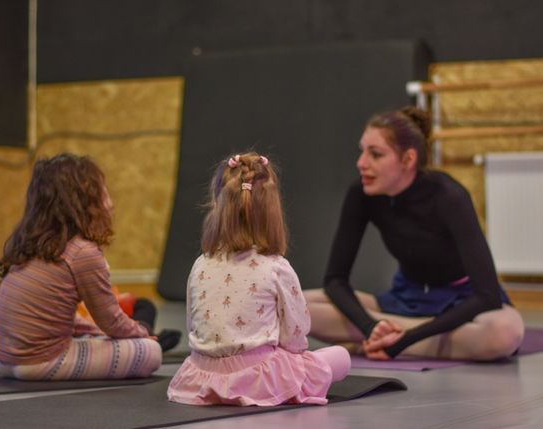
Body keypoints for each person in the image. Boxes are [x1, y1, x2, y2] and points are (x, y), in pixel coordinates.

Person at [304, 106, 525, 361]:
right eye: (362, 151)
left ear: (408, 160)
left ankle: (381, 338)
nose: (361, 163)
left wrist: (403, 342)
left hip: (462, 302)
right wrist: (370, 326)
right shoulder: (361, 194)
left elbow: (487, 296)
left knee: (505, 332)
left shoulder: (449, 196)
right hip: (405, 299)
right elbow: (335, 281)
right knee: (296, 304)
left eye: (375, 154)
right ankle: (386, 334)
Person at [168, 152, 350, 406]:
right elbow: (295, 338)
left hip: (200, 377)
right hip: (257, 379)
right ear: (273, 212)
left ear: (217, 205)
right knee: (340, 356)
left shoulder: (200, 263)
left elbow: (193, 326)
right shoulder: (276, 267)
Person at [0, 153, 163, 380]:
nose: (111, 203)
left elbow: (60, 318)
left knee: (104, 337)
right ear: (84, 203)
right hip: (40, 362)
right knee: (152, 351)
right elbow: (111, 321)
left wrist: (96, 332)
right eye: (103, 192)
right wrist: (142, 333)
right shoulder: (82, 252)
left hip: (4, 361)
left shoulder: (33, 245)